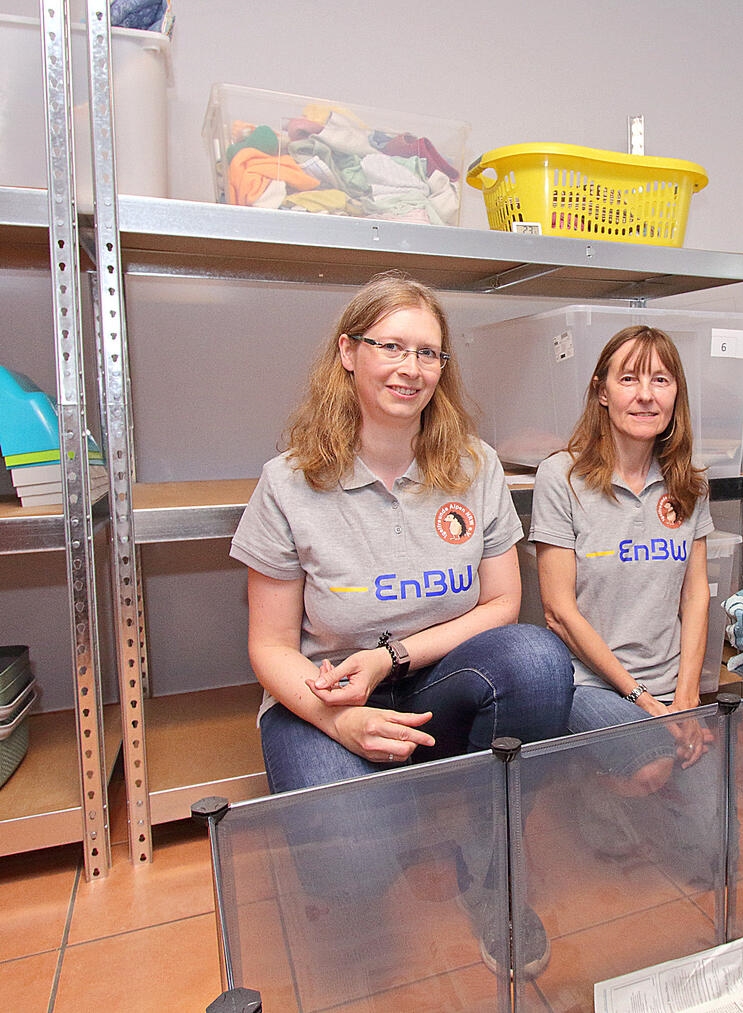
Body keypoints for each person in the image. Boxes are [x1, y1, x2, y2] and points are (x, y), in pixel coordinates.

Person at [228, 270, 574, 978]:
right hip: (325, 696)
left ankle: (488, 858)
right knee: (351, 869)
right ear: (349, 352)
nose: (411, 369)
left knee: (539, 660)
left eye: (429, 353)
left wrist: (391, 657)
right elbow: (267, 645)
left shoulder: (473, 465)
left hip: (429, 683)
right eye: (393, 346)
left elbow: (503, 603)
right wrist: (339, 722)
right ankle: (393, 818)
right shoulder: (288, 482)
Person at [530, 325, 724, 882]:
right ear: (601, 391)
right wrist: (644, 702)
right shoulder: (560, 476)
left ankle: (643, 757)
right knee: (651, 766)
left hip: (669, 683)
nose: (646, 394)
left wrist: (686, 697)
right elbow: (559, 612)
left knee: (717, 853)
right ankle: (588, 781)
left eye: (660, 380)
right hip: (589, 681)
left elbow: (695, 594)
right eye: (629, 378)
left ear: (675, 395)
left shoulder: (688, 482)